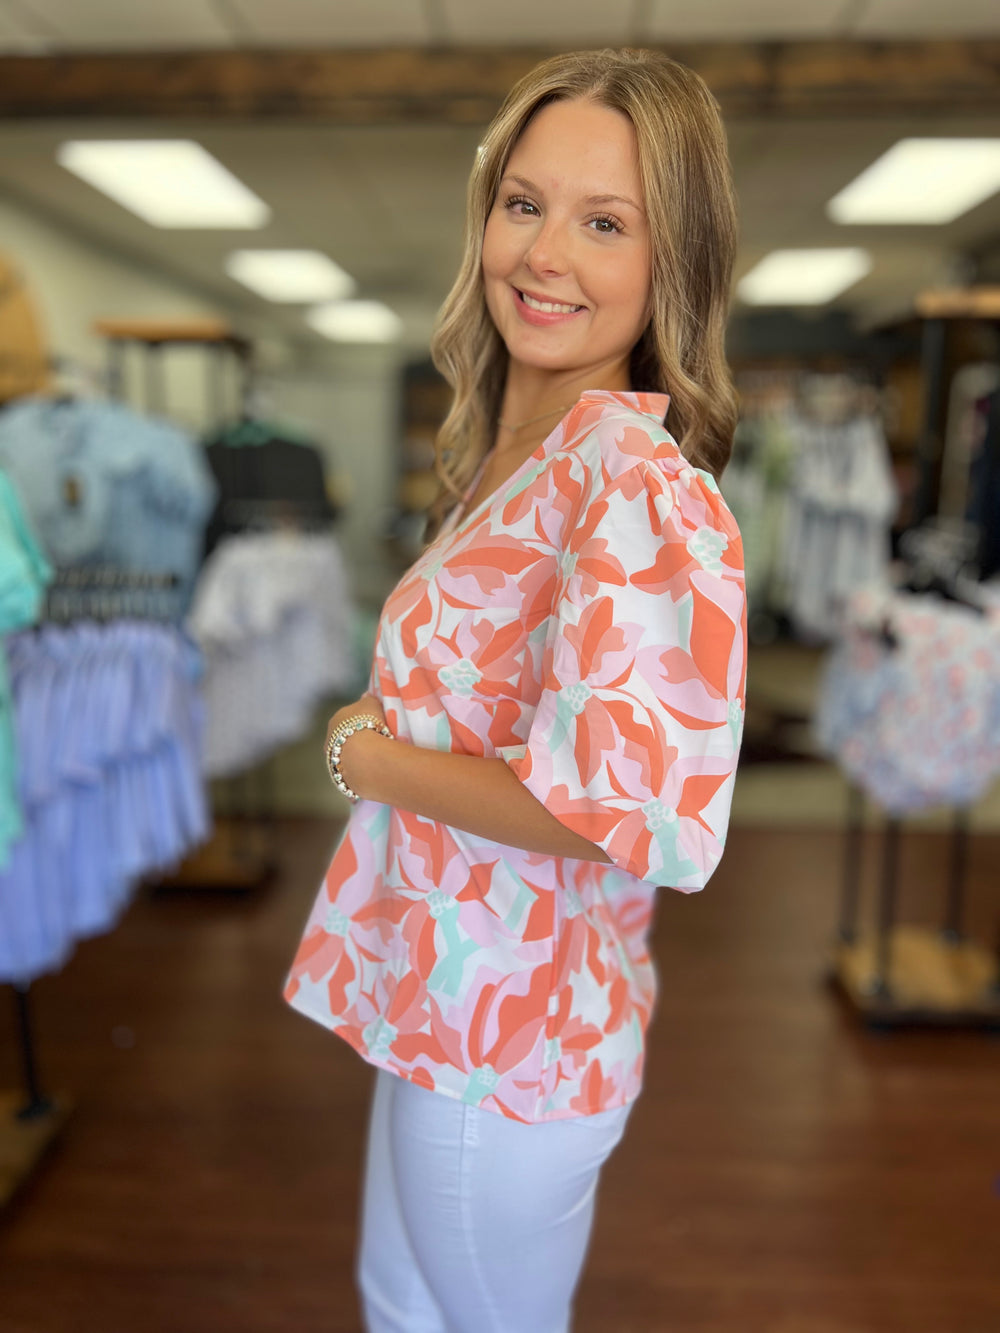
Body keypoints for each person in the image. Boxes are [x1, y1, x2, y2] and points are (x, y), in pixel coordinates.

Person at [283, 47, 747, 1333]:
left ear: (672, 260)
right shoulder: (510, 447)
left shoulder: (635, 488)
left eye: (605, 223)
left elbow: (634, 815)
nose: (543, 254)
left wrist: (362, 755)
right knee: (397, 1307)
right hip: (438, 986)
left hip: (510, 1041)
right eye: (524, 203)